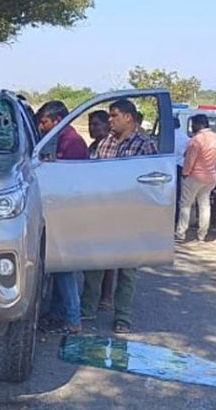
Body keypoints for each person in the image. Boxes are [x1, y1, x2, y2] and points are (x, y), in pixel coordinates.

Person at [81, 99, 158, 334]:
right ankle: (87, 310)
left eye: (114, 115)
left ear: (128, 117)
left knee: (127, 269)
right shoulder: (105, 143)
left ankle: (122, 316)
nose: (110, 120)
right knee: (95, 264)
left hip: (131, 214)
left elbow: (153, 182)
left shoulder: (145, 146)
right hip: (104, 211)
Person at [36, 101, 88, 334]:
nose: (41, 126)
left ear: (57, 121)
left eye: (44, 121)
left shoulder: (72, 142)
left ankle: (72, 319)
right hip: (61, 209)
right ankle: (57, 313)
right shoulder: (61, 140)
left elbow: (69, 179)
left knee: (65, 267)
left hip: (68, 211)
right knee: (58, 265)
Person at [84, 109, 116, 310]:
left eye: (96, 124)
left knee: (109, 256)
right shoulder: (94, 146)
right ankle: (92, 297)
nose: (92, 128)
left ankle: (106, 296)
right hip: (93, 203)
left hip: (108, 204)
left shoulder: (111, 146)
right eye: (90, 125)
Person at [175, 114, 216, 242]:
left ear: (199, 124)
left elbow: (190, 160)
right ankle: (202, 234)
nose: (192, 127)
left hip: (195, 176)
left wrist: (185, 173)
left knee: (185, 204)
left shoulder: (196, 140)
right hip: (210, 176)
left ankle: (180, 233)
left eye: (193, 124)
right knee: (205, 205)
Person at [174, 117, 190, 220]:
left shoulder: (165, 136)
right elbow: (187, 153)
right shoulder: (186, 138)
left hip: (167, 166)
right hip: (180, 166)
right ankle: (176, 217)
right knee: (178, 193)